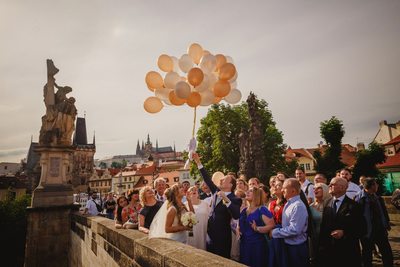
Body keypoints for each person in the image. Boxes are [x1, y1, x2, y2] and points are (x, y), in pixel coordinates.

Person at [193, 152, 242, 259]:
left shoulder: (235, 199)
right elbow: (207, 179)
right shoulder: (215, 191)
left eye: (224, 179)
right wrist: (198, 162)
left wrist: (226, 199)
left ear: (230, 185)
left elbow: (236, 215)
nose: (221, 180)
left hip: (222, 237)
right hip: (209, 235)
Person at [318, 177, 365, 267]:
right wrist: (321, 247)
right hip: (330, 252)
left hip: (347, 251)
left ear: (343, 188)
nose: (329, 186)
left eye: (332, 184)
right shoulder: (327, 203)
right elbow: (323, 226)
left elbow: (362, 228)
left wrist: (345, 232)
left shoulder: (354, 206)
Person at [270, 178, 309, 267]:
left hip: (296, 248)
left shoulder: (298, 206)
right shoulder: (289, 204)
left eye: (284, 188)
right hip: (288, 246)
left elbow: (295, 230)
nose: (282, 190)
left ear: (293, 190)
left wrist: (275, 232)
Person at [355, 178, 393, 267]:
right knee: (367, 255)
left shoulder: (378, 198)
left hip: (380, 230)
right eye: (375, 184)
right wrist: (360, 231)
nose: (377, 186)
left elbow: (383, 212)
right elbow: (356, 217)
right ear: (371, 186)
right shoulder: (359, 199)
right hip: (367, 232)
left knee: (387, 252)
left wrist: (386, 223)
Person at [237, 187, 275, 267]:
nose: (247, 192)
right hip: (244, 245)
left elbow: (272, 225)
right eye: (247, 191)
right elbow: (239, 224)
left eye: (250, 191)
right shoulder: (244, 210)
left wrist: (257, 228)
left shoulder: (262, 210)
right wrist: (238, 228)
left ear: (257, 195)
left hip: (257, 246)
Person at [309, 183, 331, 265]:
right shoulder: (310, 207)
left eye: (318, 188)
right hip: (315, 239)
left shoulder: (331, 204)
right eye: (314, 188)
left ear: (325, 190)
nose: (315, 190)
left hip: (329, 239)